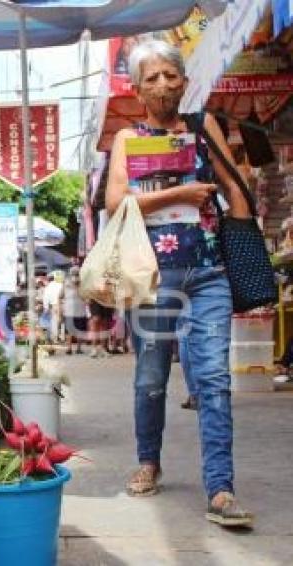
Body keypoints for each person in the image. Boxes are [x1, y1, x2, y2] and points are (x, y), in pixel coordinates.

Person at [106, 40, 253, 526]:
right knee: (151, 379)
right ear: (136, 88)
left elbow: (234, 187)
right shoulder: (127, 139)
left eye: (171, 75)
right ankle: (148, 461)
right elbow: (114, 202)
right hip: (152, 275)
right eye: (152, 77)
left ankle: (221, 488)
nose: (164, 84)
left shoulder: (203, 126)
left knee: (213, 379)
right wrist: (180, 192)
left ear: (185, 82)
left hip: (209, 271)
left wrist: (242, 232)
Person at [61, 266, 86, 355]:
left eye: (76, 274)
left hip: (79, 310)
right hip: (70, 310)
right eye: (74, 274)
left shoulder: (82, 284)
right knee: (71, 330)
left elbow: (85, 296)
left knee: (78, 329)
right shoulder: (66, 284)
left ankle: (76, 348)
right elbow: (60, 296)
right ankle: (70, 348)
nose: (75, 276)